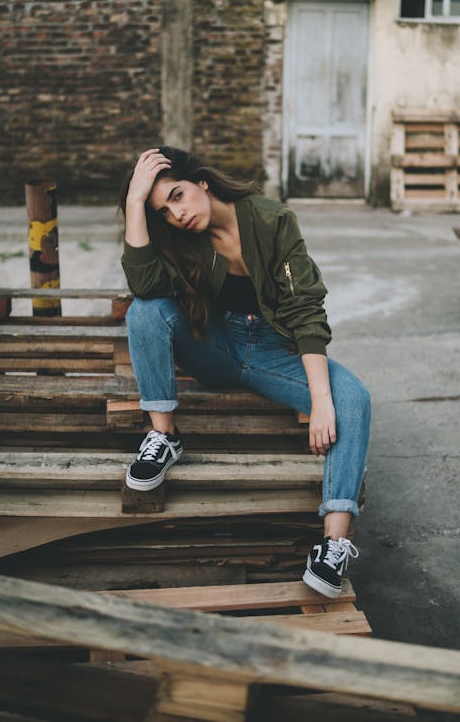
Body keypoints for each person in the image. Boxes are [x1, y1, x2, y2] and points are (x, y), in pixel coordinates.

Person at [119, 146, 371, 599]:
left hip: (275, 351)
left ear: (202, 182)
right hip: (214, 346)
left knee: (352, 398)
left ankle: (333, 544)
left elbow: (305, 310)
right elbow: (145, 285)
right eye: (164, 209)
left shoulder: (271, 220)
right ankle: (164, 436)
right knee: (144, 311)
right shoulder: (179, 240)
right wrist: (136, 203)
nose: (177, 214)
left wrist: (321, 401)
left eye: (178, 195)